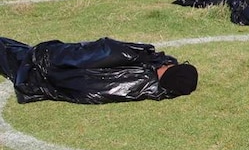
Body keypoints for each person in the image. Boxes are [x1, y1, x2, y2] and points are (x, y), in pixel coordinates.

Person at [0, 36, 197, 104]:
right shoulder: (146, 87)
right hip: (47, 75)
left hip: (45, 66)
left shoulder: (138, 64)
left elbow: (104, 50)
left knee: (10, 51)